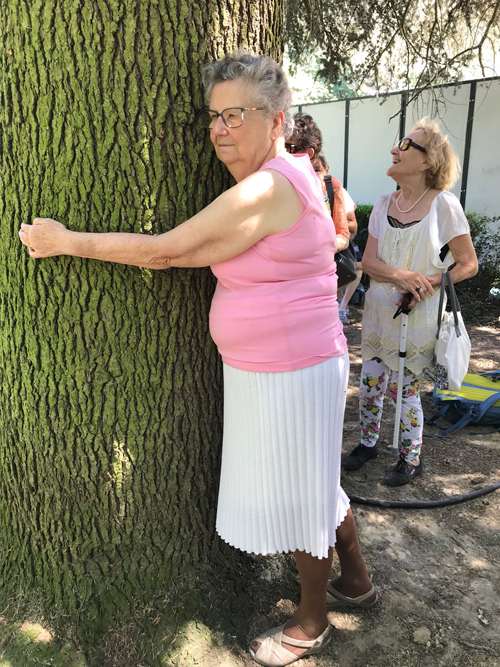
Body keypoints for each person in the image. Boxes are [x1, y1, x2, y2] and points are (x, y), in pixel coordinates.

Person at [19, 51, 376, 667]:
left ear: (276, 119)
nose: (218, 130)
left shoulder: (268, 187)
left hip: (290, 371)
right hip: (286, 366)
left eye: (234, 115)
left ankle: (313, 618)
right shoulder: (287, 175)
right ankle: (359, 582)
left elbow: (166, 252)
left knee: (303, 496)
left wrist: (66, 242)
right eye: (214, 117)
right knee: (316, 482)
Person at [343, 118, 478, 486]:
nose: (394, 149)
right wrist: (402, 276)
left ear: (427, 162)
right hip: (378, 312)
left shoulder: (444, 206)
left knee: (405, 389)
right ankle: (368, 443)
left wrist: (428, 282)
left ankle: (410, 458)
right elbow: (367, 263)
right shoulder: (386, 202)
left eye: (405, 144)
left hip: (417, 316)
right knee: (371, 382)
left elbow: (469, 264)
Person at [287, 114, 350, 252]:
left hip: (317, 268)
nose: (281, 153)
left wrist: (317, 249)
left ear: (308, 153)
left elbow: (343, 236)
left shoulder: (331, 185)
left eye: (288, 147)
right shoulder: (272, 182)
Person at [312, 152, 362, 324]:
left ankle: (342, 307)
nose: (313, 175)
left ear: (326, 169)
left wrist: (330, 229)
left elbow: (352, 225)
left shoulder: (335, 188)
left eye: (317, 169)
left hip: (330, 254)